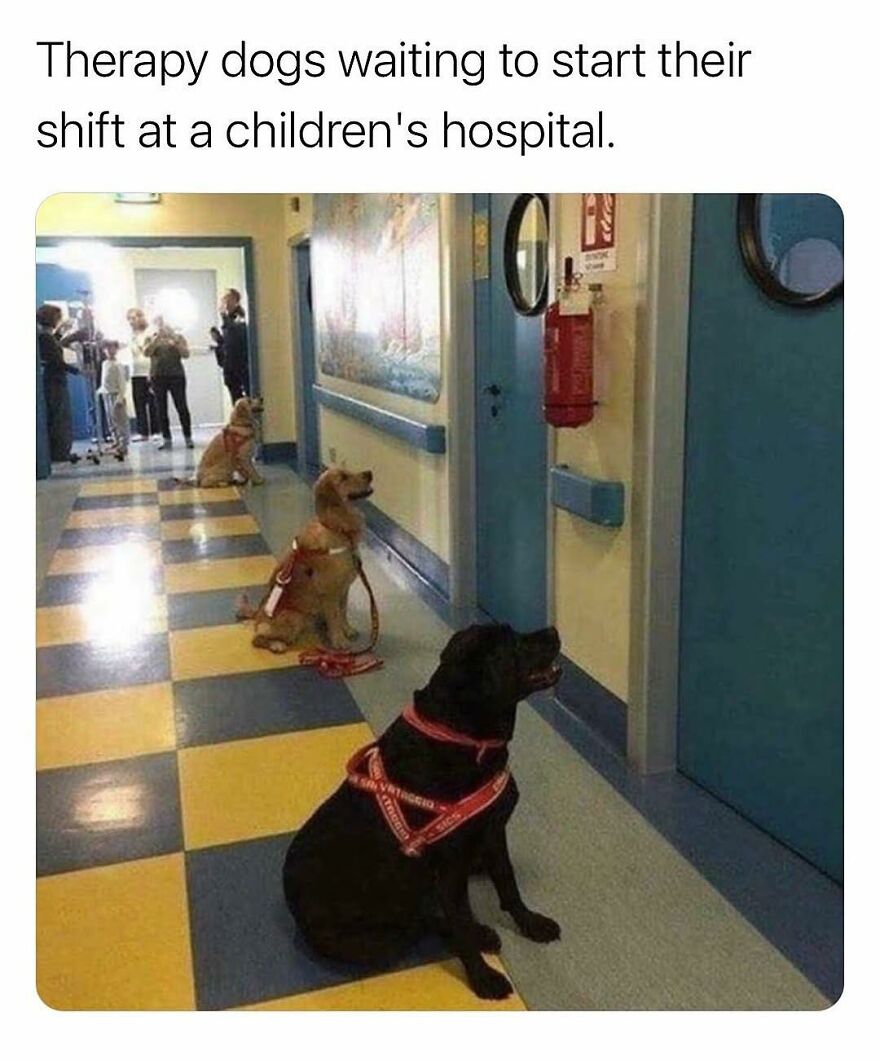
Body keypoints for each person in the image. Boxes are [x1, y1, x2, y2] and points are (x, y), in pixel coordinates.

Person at [36, 303, 80, 464]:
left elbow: (55, 346)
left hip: (55, 380)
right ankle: (60, 453)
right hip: (54, 381)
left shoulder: (46, 336)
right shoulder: (44, 337)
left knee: (59, 416)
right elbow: (56, 361)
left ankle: (60, 451)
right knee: (59, 417)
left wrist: (63, 333)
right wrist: (78, 371)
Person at [145, 316, 194, 450]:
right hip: (158, 377)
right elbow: (146, 352)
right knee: (161, 408)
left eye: (164, 322)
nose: (162, 326)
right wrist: (156, 339)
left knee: (182, 406)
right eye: (159, 323)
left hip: (177, 376)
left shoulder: (178, 337)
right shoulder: (151, 338)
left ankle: (188, 437)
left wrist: (175, 340)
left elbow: (186, 354)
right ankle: (166, 439)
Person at [126, 307, 160, 440]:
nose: (132, 321)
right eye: (130, 319)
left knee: (153, 402)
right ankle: (143, 432)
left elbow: (147, 351)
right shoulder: (131, 335)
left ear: (141, 317)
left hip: (149, 370)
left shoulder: (149, 332)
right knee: (139, 402)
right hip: (136, 372)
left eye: (134, 318)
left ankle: (156, 431)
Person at [216, 289, 250, 404]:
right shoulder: (227, 320)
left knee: (248, 398)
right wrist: (219, 340)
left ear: (235, 301)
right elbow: (228, 341)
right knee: (235, 400)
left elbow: (237, 333)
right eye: (223, 299)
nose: (225, 302)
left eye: (227, 298)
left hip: (241, 365)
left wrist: (224, 317)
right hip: (229, 366)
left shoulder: (240, 317)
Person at [98, 341, 130, 459]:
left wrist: (120, 398)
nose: (109, 351)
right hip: (106, 394)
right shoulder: (105, 363)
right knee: (111, 421)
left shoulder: (118, 365)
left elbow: (122, 383)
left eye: (112, 348)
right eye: (107, 348)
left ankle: (123, 445)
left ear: (116, 350)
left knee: (120, 421)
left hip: (116, 395)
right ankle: (115, 441)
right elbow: (104, 380)